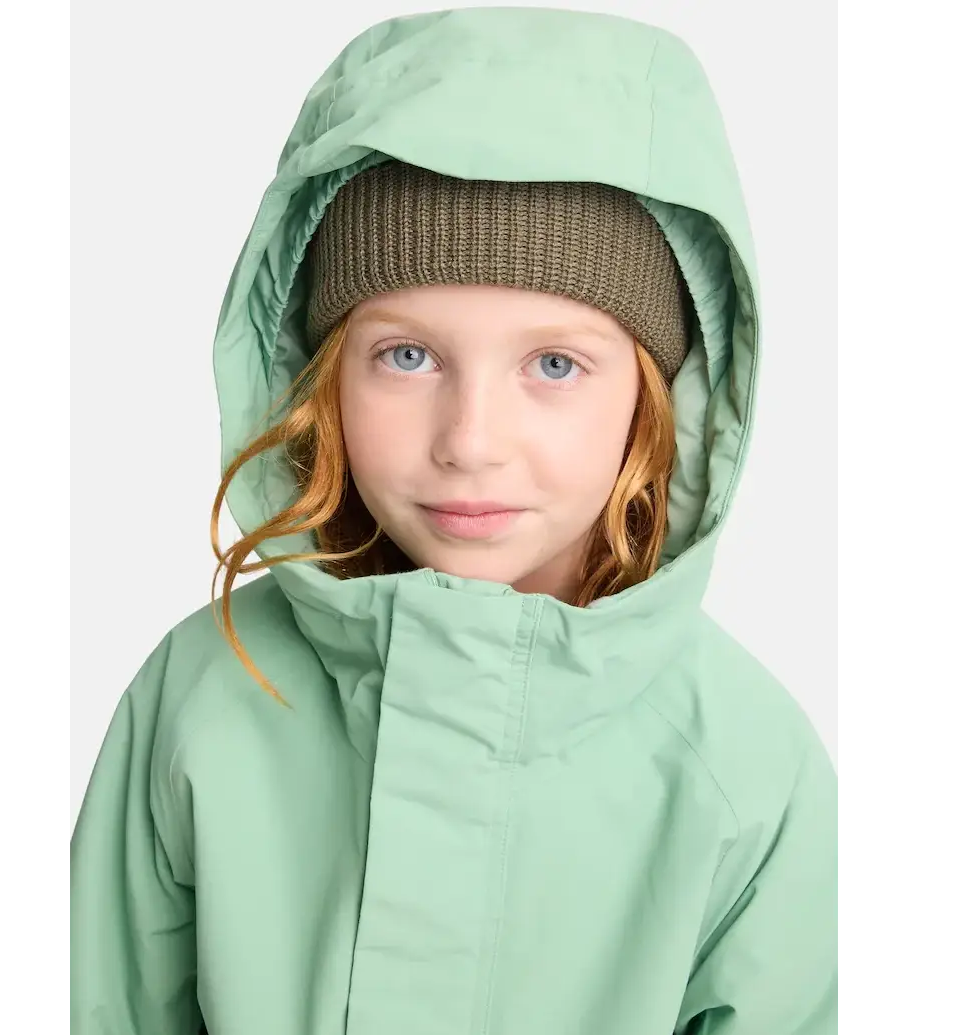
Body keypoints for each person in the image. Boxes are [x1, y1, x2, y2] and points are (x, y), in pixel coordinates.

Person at [68, 7, 840, 1034]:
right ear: (320, 375)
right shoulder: (205, 693)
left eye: (554, 364)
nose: (470, 441)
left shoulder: (740, 762)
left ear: (655, 399)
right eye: (407, 356)